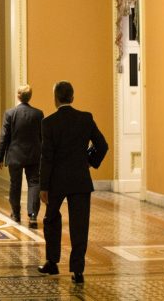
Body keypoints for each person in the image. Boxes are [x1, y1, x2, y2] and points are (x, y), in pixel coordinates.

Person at [37, 80, 108, 284]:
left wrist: (43, 186)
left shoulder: (48, 122)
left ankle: (52, 262)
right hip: (80, 180)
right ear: (72, 97)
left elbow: (47, 156)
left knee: (51, 219)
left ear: (55, 99)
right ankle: (78, 271)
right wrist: (89, 161)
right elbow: (102, 145)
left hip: (56, 181)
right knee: (80, 224)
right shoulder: (85, 119)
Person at [0, 84, 44, 228]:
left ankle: (16, 213)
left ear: (18, 96)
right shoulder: (38, 114)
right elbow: (42, 136)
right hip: (34, 154)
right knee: (34, 183)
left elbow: (4, 137)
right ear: (30, 96)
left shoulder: (10, 114)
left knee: (15, 184)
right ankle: (33, 215)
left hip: (15, 155)